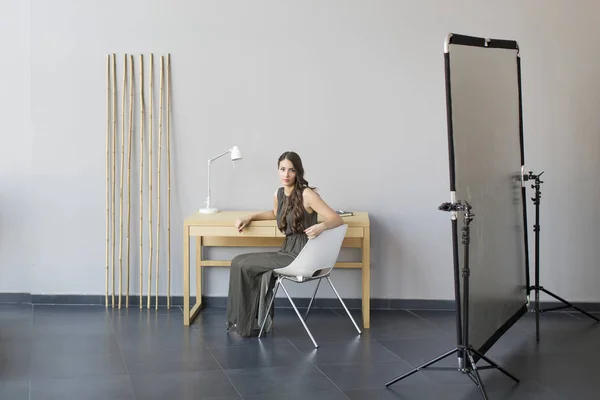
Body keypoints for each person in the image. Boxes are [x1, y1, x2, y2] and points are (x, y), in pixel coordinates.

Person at [225, 151, 343, 337]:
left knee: (243, 264)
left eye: (291, 170)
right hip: (287, 250)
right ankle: (244, 321)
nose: (286, 175)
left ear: (298, 172)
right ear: (278, 170)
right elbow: (275, 213)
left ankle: (248, 323)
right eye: (282, 169)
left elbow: (336, 219)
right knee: (238, 261)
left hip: (302, 255)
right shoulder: (279, 193)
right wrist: (250, 217)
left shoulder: (307, 194)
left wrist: (321, 226)